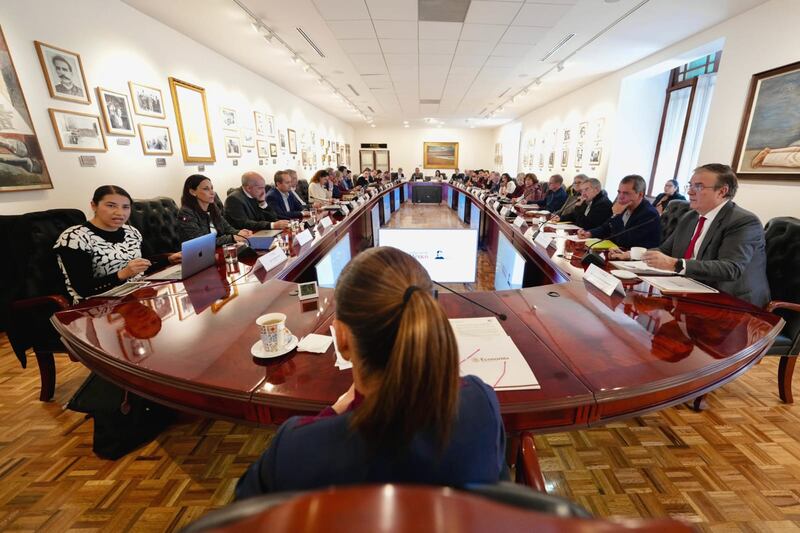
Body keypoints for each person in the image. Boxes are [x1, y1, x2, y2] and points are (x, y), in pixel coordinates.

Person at [235, 247, 506, 498]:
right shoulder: (481, 404)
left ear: (343, 338)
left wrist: (332, 413)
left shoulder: (297, 449)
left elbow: (241, 517)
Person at [639, 164, 770, 307]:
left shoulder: (743, 221)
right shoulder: (690, 217)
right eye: (690, 185)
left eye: (698, 187)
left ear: (722, 191)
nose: (690, 192)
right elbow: (665, 250)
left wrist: (675, 264)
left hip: (733, 303)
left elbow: (730, 268)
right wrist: (636, 255)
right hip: (688, 290)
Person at [54, 185, 179, 303]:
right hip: (97, 304)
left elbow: (144, 266)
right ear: (94, 206)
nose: (120, 213)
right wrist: (122, 274)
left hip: (136, 294)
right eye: (111, 206)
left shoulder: (131, 232)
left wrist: (169, 260)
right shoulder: (75, 238)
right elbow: (83, 289)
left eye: (125, 207)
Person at [579, 174, 660, 249]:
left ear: (640, 195)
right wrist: (590, 233)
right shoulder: (625, 206)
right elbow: (606, 227)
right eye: (619, 192)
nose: (620, 197)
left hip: (636, 257)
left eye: (626, 193)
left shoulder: (649, 214)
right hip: (618, 252)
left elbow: (625, 242)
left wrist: (616, 215)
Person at [179, 174, 253, 247]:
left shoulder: (213, 207)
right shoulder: (186, 213)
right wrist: (232, 238)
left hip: (218, 249)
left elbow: (227, 228)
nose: (212, 193)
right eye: (206, 189)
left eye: (212, 188)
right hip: (200, 252)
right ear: (193, 192)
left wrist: (240, 233)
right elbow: (201, 242)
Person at [225, 172, 290, 231]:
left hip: (260, 232)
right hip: (244, 236)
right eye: (260, 188)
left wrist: (263, 202)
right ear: (248, 188)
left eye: (264, 187)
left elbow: (273, 218)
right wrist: (272, 225)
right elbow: (244, 224)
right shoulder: (233, 199)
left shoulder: (255, 194)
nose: (263, 191)